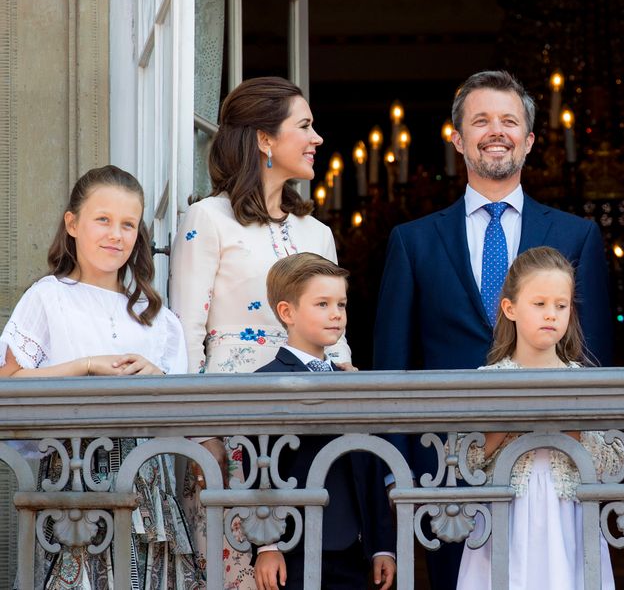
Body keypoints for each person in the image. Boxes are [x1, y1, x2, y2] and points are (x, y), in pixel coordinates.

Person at [373, 70, 613, 589]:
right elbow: (392, 363)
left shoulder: (576, 235)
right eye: (480, 120)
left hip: (558, 467)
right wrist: (396, 473)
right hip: (443, 472)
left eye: (509, 121)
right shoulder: (412, 241)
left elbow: (594, 359)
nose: (495, 130)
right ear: (457, 138)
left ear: (529, 140)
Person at [169, 76, 353, 588]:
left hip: (309, 435)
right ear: (264, 139)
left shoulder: (319, 232)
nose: (317, 138)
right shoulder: (207, 219)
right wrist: (200, 438)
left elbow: (336, 339)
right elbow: (185, 334)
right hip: (230, 432)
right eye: (305, 126)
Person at [0, 165, 196, 588]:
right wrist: (84, 366)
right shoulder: (48, 297)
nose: (116, 234)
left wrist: (157, 376)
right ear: (72, 224)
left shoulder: (157, 317)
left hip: (147, 480)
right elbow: (9, 382)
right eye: (103, 220)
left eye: (128, 224)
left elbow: (183, 410)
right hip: (73, 471)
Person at [456, 247, 623, 590]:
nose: (551, 315)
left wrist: (573, 424)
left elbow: (609, 464)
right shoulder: (487, 379)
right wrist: (508, 422)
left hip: (568, 516)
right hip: (507, 515)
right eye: (539, 304)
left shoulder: (584, 380)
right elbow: (465, 462)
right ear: (510, 308)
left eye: (561, 306)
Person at [251, 253, 396, 590]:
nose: (336, 314)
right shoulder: (263, 382)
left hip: (355, 551)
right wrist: (267, 545)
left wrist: (382, 545)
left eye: (341, 305)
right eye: (322, 304)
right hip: (292, 549)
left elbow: (369, 464)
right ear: (287, 312)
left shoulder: (352, 381)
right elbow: (257, 470)